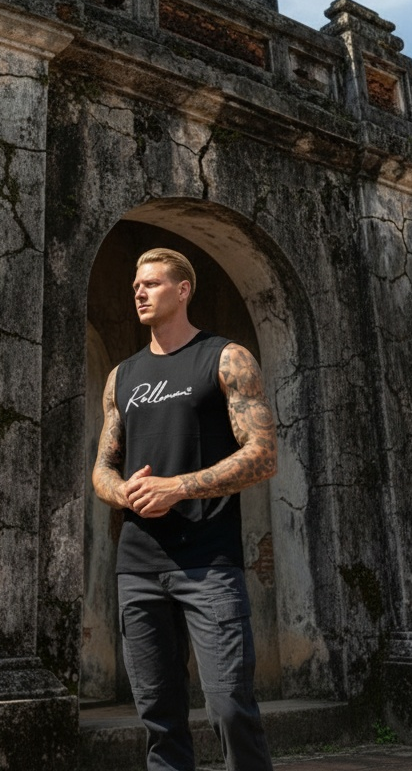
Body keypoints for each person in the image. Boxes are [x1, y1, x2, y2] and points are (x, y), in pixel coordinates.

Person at [92, 247, 277, 771]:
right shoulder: (121, 376)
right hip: (139, 567)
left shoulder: (226, 358)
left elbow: (263, 454)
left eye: (151, 283)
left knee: (231, 708)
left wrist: (177, 488)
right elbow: (102, 467)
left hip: (208, 564)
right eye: (136, 285)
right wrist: (123, 492)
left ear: (183, 289)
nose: (139, 292)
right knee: (159, 720)